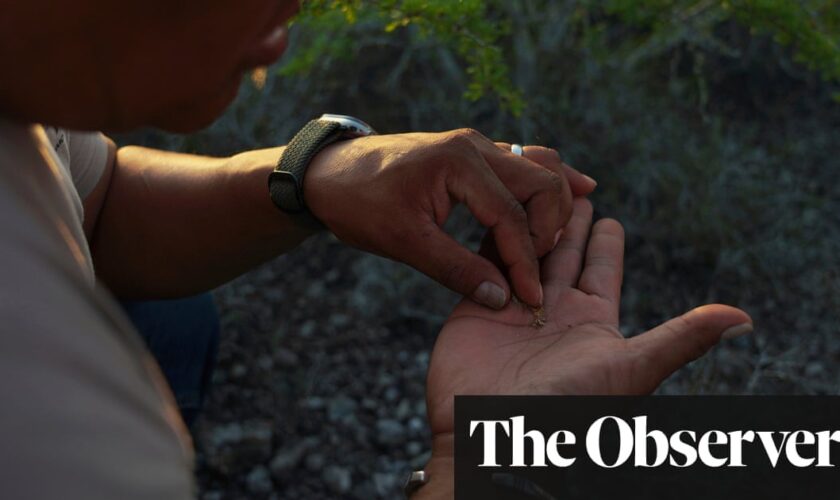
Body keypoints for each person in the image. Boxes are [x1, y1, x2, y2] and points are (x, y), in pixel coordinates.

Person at [0, 1, 752, 498]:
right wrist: (477, 460)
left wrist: (311, 173)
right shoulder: (49, 426)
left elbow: (94, 207)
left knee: (179, 322)